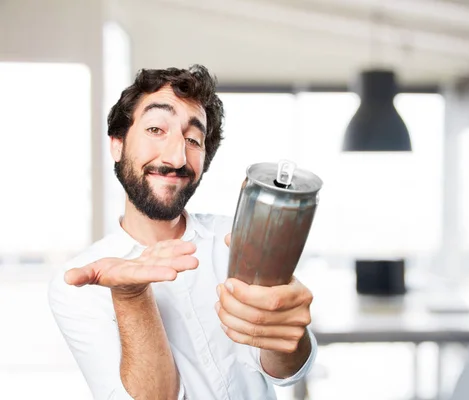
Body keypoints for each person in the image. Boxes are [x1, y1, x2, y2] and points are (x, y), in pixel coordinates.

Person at [48, 65, 317, 400]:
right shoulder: (79, 285)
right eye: (156, 129)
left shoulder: (234, 239)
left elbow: (286, 370)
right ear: (117, 145)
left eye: (193, 139)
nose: (177, 158)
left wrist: (288, 330)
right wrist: (131, 296)